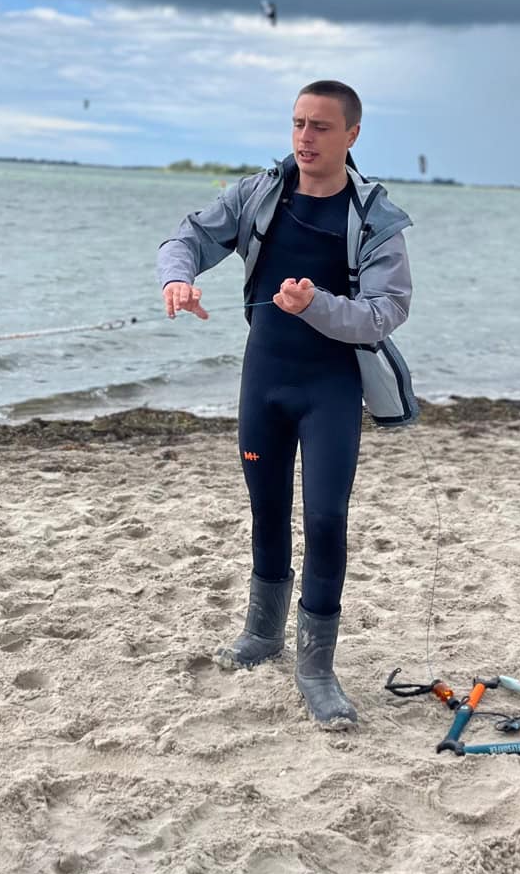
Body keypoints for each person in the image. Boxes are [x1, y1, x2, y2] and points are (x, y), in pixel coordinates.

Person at [157, 81, 416, 729]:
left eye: (322, 127)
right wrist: (178, 278)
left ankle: (317, 668)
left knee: (325, 518)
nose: (305, 137)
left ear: (352, 135)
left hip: (328, 388)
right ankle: (263, 633)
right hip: (263, 380)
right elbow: (187, 235)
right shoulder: (259, 195)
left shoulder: (375, 217)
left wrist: (317, 306)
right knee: (266, 509)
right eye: (298, 123)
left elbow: (386, 313)